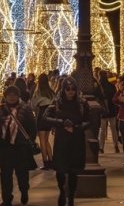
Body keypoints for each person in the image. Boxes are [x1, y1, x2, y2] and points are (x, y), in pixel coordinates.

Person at [0, 85, 38, 206]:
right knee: (5, 175)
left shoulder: (26, 109)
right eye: (9, 95)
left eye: (14, 95)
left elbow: (32, 128)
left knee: (22, 174)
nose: (12, 97)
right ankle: (6, 199)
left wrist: (28, 141)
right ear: (5, 96)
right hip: (5, 148)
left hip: (21, 148)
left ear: (18, 96)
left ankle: (24, 190)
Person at [43, 77, 89, 206]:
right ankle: (62, 190)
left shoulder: (82, 103)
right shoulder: (57, 102)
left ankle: (71, 197)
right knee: (60, 170)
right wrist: (60, 123)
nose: (71, 92)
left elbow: (88, 120)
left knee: (73, 171)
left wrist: (77, 127)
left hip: (76, 140)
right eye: (68, 89)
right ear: (63, 89)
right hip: (61, 140)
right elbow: (45, 117)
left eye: (73, 89)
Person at [31, 73, 55, 170]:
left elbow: (33, 105)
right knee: (46, 140)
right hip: (49, 116)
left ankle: (46, 163)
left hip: (41, 116)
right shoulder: (51, 92)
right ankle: (51, 160)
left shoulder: (38, 92)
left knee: (42, 140)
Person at [97, 71, 118, 155]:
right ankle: (115, 145)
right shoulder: (111, 85)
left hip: (103, 110)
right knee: (113, 129)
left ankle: (101, 147)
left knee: (102, 130)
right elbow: (115, 96)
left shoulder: (99, 86)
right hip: (112, 109)